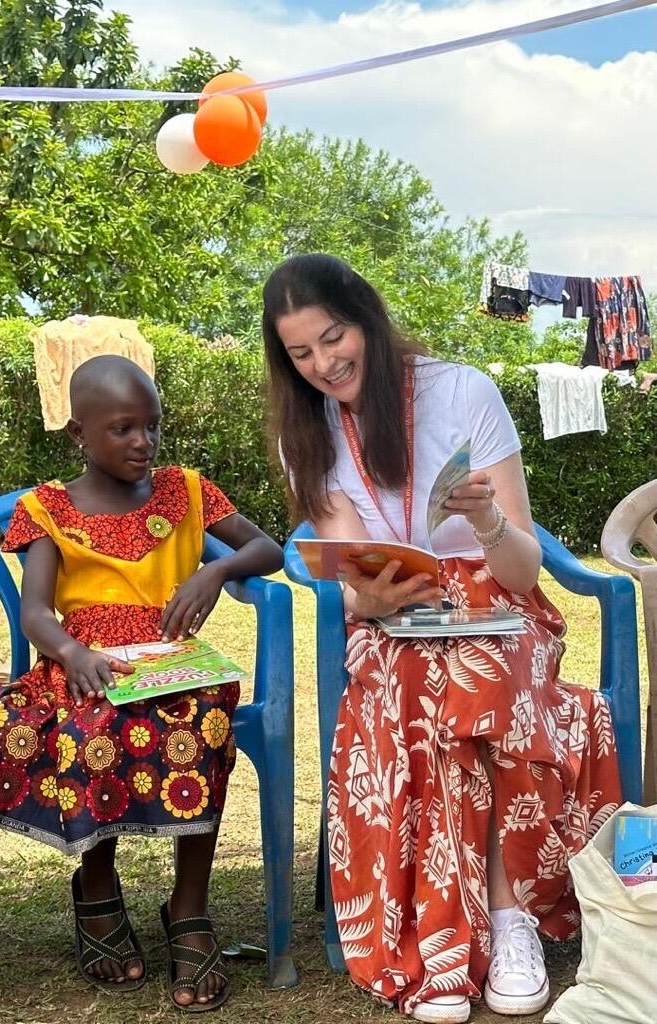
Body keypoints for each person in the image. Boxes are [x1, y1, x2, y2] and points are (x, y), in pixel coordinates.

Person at [263, 254, 622, 1023]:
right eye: (301, 353)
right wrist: (368, 592)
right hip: (392, 614)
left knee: (481, 669)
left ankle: (504, 918)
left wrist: (488, 521)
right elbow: (352, 579)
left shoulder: (462, 392)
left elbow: (524, 573)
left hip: (499, 604)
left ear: (366, 321)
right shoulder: (308, 430)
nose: (324, 364)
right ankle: (441, 936)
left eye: (333, 338)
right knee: (421, 681)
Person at [0, 355, 283, 1011]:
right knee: (94, 726)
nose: (142, 443)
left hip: (171, 662)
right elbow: (36, 611)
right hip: (83, 662)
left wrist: (215, 571)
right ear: (79, 434)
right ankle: (96, 879)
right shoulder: (48, 509)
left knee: (199, 721)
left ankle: (189, 905)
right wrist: (71, 652)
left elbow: (266, 547)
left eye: (151, 427)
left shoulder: (185, 491)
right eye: (123, 428)